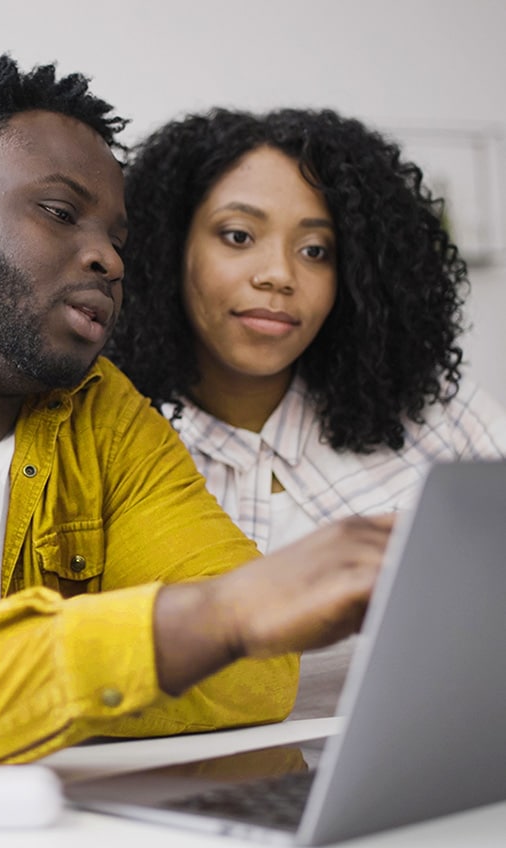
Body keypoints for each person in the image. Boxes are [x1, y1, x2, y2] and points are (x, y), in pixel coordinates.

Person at [0, 57, 393, 783]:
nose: (109, 259)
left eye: (119, 237)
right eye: (59, 211)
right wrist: (208, 621)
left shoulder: (107, 416)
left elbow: (255, 675)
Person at [106, 107, 506, 717]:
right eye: (238, 236)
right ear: (169, 248)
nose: (279, 275)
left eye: (316, 250)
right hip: (177, 796)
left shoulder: (439, 420)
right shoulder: (108, 441)